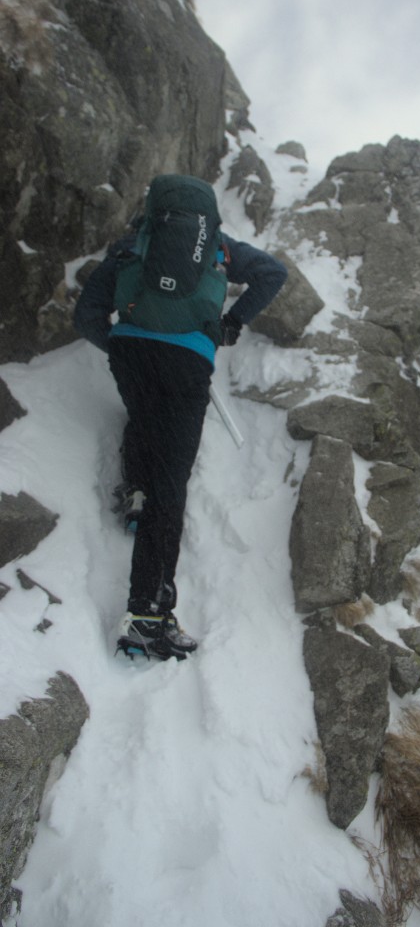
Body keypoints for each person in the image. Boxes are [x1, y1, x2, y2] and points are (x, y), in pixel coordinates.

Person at [74, 175, 287, 660]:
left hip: (132, 353)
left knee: (145, 415)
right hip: (188, 361)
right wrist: (227, 325)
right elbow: (273, 273)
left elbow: (86, 316)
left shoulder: (131, 246)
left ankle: (134, 493)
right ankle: (148, 616)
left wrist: (122, 345)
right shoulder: (218, 248)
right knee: (172, 486)